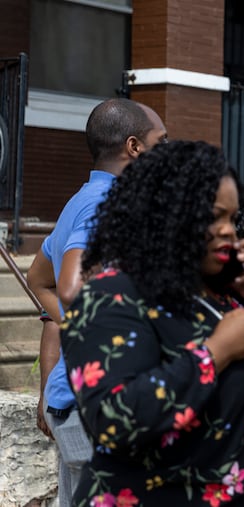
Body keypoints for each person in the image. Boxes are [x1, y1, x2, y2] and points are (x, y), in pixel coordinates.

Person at [60, 140, 244, 506]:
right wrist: (214, 353)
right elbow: (113, 419)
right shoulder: (110, 297)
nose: (229, 231)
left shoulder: (216, 298)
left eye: (232, 218)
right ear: (166, 216)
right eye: (211, 217)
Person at [27, 97, 167, 506]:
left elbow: (39, 280)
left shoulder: (83, 198)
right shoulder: (104, 204)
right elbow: (66, 284)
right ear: (134, 147)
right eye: (162, 140)